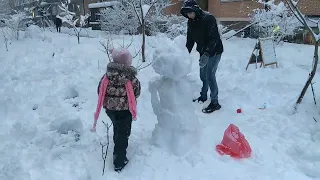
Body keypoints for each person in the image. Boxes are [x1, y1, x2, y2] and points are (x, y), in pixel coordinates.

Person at [93, 48, 141, 172]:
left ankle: (117, 143)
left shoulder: (107, 76)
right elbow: (137, 92)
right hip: (125, 110)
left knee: (117, 126)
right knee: (124, 133)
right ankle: (119, 161)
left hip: (110, 110)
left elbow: (100, 90)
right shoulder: (131, 78)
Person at [180, 0, 224, 114]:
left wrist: (207, 53)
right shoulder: (191, 22)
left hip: (214, 51)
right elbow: (190, 40)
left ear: (195, 9)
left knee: (210, 75)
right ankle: (203, 96)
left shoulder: (209, 19)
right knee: (202, 76)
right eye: (187, 14)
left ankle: (215, 102)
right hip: (202, 51)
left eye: (190, 12)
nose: (189, 15)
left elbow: (214, 38)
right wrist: (184, 54)